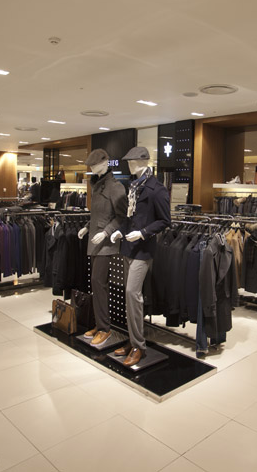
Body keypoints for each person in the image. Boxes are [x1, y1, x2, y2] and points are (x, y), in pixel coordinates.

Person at [110, 146, 171, 366]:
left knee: (132, 293)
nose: (129, 165)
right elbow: (130, 218)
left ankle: (139, 346)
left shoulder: (157, 189)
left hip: (143, 250)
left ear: (141, 162)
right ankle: (133, 340)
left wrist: (143, 233)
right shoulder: (133, 187)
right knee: (130, 298)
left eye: (131, 161)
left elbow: (165, 220)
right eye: (128, 162)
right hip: (128, 247)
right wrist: (120, 231)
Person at [77, 149, 127, 346]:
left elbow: (121, 217)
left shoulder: (116, 187)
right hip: (95, 241)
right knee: (96, 284)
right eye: (90, 165)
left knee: (99, 282)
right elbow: (97, 214)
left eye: (95, 164)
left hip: (106, 244)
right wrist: (86, 227)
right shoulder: (96, 186)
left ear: (105, 163)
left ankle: (105, 328)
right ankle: (100, 325)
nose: (92, 168)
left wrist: (106, 232)